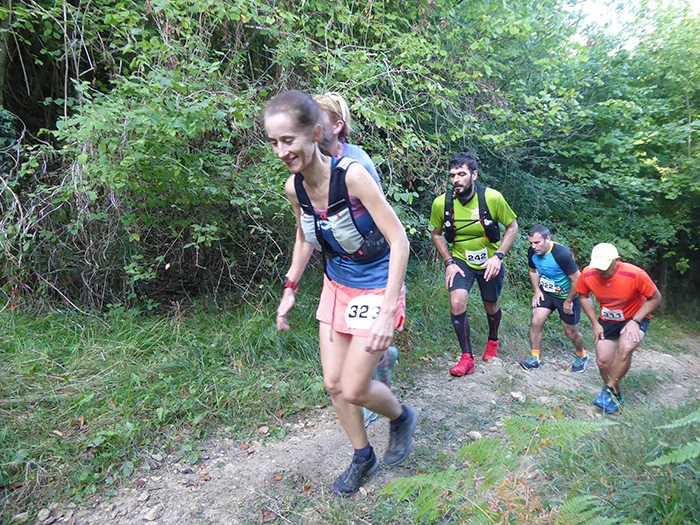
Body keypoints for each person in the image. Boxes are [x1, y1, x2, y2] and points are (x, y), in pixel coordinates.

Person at [264, 90, 418, 497]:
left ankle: (401, 416)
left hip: (377, 286)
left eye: (288, 140)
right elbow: (305, 237)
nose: (281, 151)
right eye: (274, 142)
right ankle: (362, 456)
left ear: (315, 134)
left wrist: (388, 311)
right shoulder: (294, 188)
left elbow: (399, 239)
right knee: (334, 384)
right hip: (337, 285)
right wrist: (290, 287)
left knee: (354, 388)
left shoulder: (352, 175)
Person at [313, 92, 398, 428]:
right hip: (339, 275)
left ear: (337, 125)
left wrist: (383, 280)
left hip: (372, 272)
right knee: (341, 366)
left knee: (358, 366)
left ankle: (379, 372)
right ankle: (380, 358)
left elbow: (381, 223)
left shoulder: (357, 164)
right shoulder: (310, 164)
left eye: (317, 119)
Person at [429, 152, 518, 376]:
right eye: (452, 175)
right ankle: (467, 357)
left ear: (474, 175)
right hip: (460, 260)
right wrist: (449, 262)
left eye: (461, 174)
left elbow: (512, 227)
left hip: (490, 260)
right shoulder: (442, 203)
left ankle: (493, 339)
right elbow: (436, 234)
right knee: (456, 302)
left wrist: (498, 256)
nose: (456, 179)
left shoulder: (492, 198)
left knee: (491, 304)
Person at [576, 243, 662, 413]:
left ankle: (607, 390)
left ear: (617, 260)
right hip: (607, 319)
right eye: (598, 267)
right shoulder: (588, 273)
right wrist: (595, 323)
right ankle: (616, 395)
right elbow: (583, 296)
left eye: (605, 267)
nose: (601, 271)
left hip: (635, 317)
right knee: (602, 361)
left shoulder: (635, 274)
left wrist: (636, 321)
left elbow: (655, 298)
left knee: (625, 348)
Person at [521, 225, 588, 373]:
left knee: (571, 332)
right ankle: (535, 358)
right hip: (547, 293)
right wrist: (537, 290)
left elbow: (577, 280)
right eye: (531, 243)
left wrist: (568, 301)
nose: (533, 246)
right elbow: (533, 271)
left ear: (547, 239)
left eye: (537, 242)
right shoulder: (532, 252)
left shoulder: (561, 254)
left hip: (566, 296)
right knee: (536, 321)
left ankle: (581, 354)